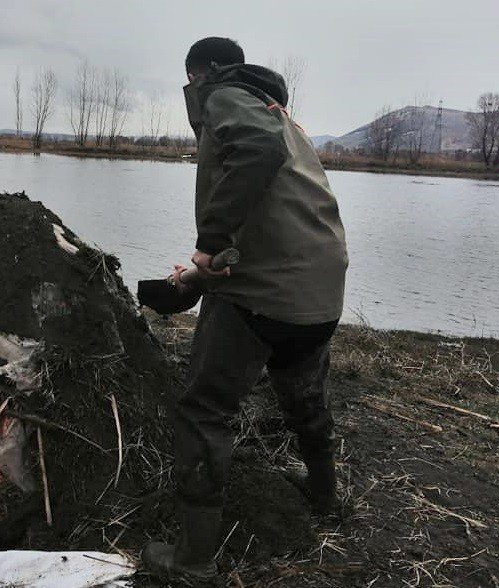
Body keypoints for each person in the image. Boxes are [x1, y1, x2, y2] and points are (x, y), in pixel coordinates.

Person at [141, 37, 349, 580]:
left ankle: (194, 560)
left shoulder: (224, 96)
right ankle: (326, 497)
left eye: (189, 83)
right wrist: (194, 277)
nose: (190, 95)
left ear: (200, 74)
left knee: (204, 411)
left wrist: (209, 239)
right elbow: (272, 214)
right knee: (303, 394)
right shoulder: (286, 119)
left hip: (261, 295)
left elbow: (255, 150)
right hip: (321, 294)